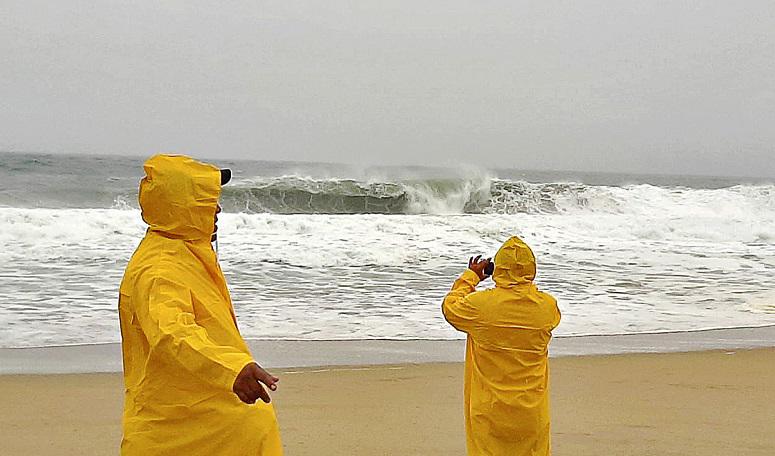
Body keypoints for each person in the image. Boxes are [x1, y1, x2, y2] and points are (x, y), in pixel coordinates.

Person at [118, 154, 282, 455]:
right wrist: (232, 368)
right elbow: (173, 334)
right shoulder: (159, 270)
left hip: (209, 415)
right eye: (206, 201)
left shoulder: (187, 251)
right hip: (179, 430)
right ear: (181, 208)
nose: (217, 209)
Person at [442, 236, 561, 455]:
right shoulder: (547, 307)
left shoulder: (481, 307)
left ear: (497, 269)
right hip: (531, 409)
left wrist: (471, 276)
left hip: (490, 409)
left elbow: (450, 307)